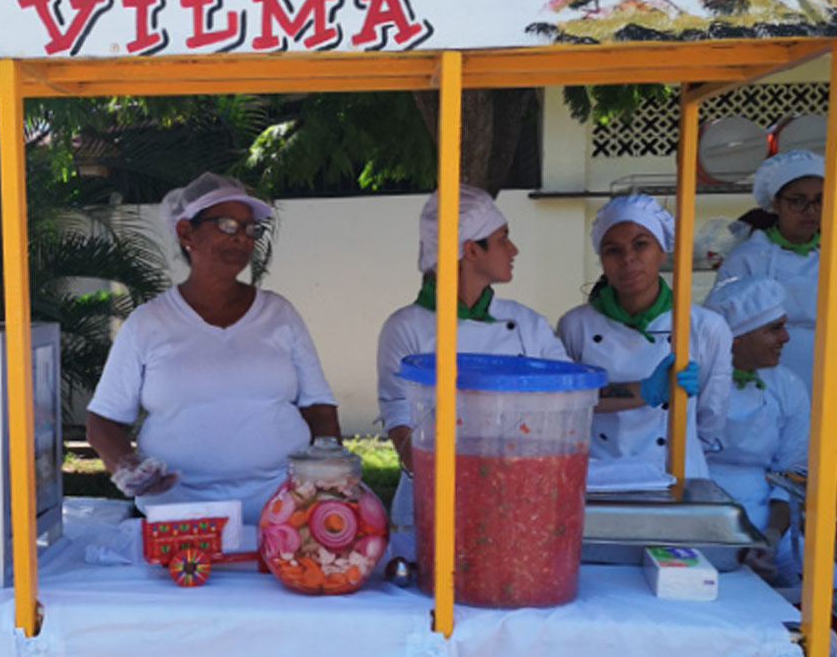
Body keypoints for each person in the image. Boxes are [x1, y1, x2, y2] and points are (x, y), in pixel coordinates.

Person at [85, 172, 340, 524]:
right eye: (227, 224)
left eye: (250, 229)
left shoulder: (280, 313)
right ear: (186, 233)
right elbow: (103, 421)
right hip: (176, 515)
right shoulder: (148, 323)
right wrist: (127, 466)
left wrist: (329, 486)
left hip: (283, 514)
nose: (242, 239)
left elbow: (319, 408)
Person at [376, 185, 570, 526]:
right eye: (502, 238)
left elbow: (568, 402)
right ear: (471, 250)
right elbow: (401, 424)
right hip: (433, 501)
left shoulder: (527, 323)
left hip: (517, 496)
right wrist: (464, 490)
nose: (514, 249)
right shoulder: (405, 327)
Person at [557, 194, 730, 478]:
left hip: (676, 474)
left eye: (641, 244)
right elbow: (566, 405)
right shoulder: (576, 326)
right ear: (601, 259)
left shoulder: (705, 327)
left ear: (663, 250)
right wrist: (646, 391)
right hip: (599, 476)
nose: (628, 259)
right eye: (613, 250)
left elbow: (711, 420)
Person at [702, 276, 809, 583]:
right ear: (736, 338)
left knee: (826, 582)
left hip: (769, 522)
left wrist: (771, 538)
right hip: (700, 520)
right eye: (773, 328)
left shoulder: (788, 386)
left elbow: (793, 474)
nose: (786, 337)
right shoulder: (695, 384)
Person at [712, 149, 824, 396]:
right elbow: (720, 329)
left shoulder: (831, 256)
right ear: (776, 203)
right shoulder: (747, 259)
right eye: (798, 200)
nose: (811, 210)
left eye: (820, 200)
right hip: (764, 385)